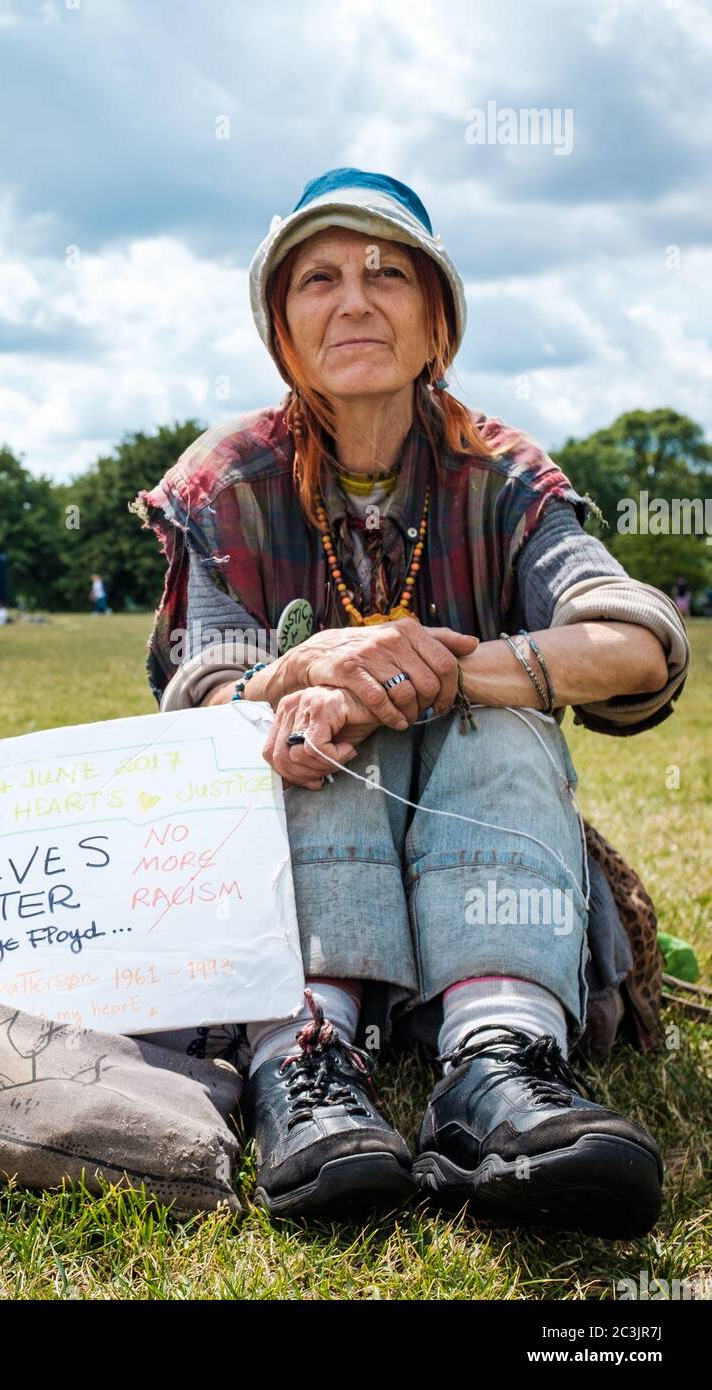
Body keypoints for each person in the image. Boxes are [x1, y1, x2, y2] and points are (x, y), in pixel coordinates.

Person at [131, 167, 690, 1237]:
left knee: (500, 716)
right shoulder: (227, 482)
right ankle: (304, 1054)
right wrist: (308, 673)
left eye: (388, 275)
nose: (354, 302)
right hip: (299, 875)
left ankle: (499, 1060)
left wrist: (438, 672)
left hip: (480, 877)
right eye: (319, 280)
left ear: (438, 323)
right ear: (282, 333)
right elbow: (200, 690)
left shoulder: (504, 473)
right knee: (304, 719)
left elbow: (634, 642)